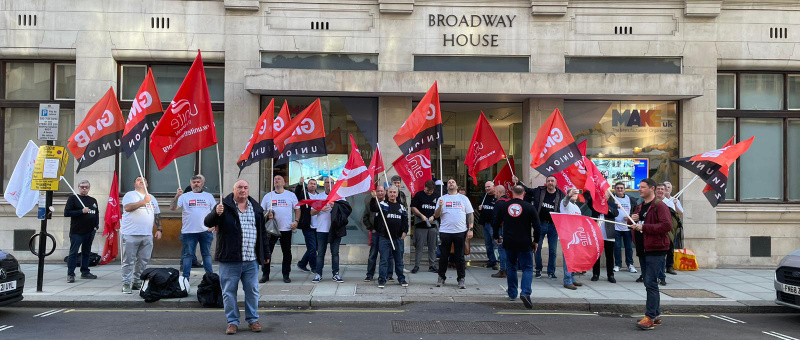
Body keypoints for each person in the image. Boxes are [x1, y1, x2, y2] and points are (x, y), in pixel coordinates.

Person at [204, 180, 270, 335]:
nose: (243, 190)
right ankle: (232, 322)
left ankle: (253, 320)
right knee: (228, 292)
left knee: (252, 291)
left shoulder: (257, 209)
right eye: (239, 187)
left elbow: (262, 234)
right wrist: (216, 213)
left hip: (251, 259)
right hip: (230, 259)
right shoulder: (223, 207)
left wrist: (266, 254)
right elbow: (207, 222)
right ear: (233, 190)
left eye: (246, 187)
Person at [629, 178, 673, 330]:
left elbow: (667, 225)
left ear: (652, 188)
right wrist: (631, 220)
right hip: (643, 250)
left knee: (650, 283)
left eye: (642, 187)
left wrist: (643, 227)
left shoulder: (659, 206)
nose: (639, 189)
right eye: (639, 187)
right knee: (650, 284)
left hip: (656, 250)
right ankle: (657, 315)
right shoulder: (640, 206)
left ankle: (650, 317)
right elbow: (634, 225)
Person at [493, 185, 540, 309]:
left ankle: (512, 293)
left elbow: (496, 222)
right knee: (527, 268)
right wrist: (536, 241)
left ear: (512, 192)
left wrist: (496, 236)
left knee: (511, 267)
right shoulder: (529, 207)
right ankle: (525, 292)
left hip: (509, 242)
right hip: (525, 242)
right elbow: (537, 226)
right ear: (524, 193)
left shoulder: (504, 206)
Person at [512, 175, 564, 280]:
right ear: (546, 182)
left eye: (552, 181)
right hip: (540, 224)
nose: (550, 182)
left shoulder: (560, 194)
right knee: (537, 248)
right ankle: (538, 270)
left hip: (554, 225)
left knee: (553, 250)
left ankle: (551, 272)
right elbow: (526, 189)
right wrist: (518, 182)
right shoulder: (539, 191)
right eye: (548, 181)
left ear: (556, 183)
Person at [120, 177, 161, 294]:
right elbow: (127, 208)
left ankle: (137, 282)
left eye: (144, 180)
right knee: (128, 260)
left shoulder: (152, 198)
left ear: (147, 184)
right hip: (130, 234)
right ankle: (126, 283)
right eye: (138, 180)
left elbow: (157, 214)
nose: (141, 181)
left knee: (143, 260)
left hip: (147, 234)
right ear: (134, 184)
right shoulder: (130, 195)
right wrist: (143, 202)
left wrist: (159, 229)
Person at [170, 174, 216, 281]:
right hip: (189, 232)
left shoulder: (208, 196)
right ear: (190, 184)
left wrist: (214, 225)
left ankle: (210, 278)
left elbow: (216, 212)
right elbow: (172, 208)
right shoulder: (184, 196)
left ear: (202, 184)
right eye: (194, 182)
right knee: (188, 255)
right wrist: (177, 196)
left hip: (205, 231)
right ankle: (185, 279)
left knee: (206, 255)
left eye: (198, 182)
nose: (196, 184)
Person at [434, 179, 474, 289]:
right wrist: (440, 207)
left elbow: (470, 214)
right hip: (445, 231)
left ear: (457, 186)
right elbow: (436, 215)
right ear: (447, 187)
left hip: (460, 231)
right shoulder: (442, 199)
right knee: (443, 256)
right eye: (449, 183)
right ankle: (441, 277)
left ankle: (461, 278)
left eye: (453, 182)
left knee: (460, 257)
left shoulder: (463, 198)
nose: (451, 183)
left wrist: (470, 229)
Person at [260, 175, 299, 283]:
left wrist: (296, 221)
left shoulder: (291, 195)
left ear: (284, 183)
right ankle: (265, 274)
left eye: (279, 179)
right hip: (271, 229)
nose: (276, 180)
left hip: (285, 229)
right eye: (275, 179)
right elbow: (262, 211)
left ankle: (286, 274)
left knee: (286, 252)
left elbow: (297, 209)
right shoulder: (268, 196)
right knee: (268, 252)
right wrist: (268, 215)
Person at [370, 186, 409, 288]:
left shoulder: (401, 207)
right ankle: (382, 279)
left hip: (398, 238)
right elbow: (373, 208)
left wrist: (405, 231)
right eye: (390, 192)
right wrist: (374, 198)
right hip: (385, 238)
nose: (392, 194)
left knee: (399, 260)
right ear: (387, 193)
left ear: (397, 194)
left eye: (394, 192)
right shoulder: (383, 205)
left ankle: (401, 279)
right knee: (384, 260)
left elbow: (405, 221)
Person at [64, 180, 99, 283]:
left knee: (86, 252)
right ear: (78, 188)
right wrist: (81, 211)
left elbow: (96, 213)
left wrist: (96, 226)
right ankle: (70, 274)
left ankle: (85, 271)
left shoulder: (93, 200)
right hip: (77, 232)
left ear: (89, 188)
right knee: (73, 253)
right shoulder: (73, 198)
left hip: (90, 231)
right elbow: (67, 212)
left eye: (86, 187)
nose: (84, 189)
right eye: (82, 187)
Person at [583, 190, 619, 283]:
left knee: (609, 255)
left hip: (608, 233)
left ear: (608, 196)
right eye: (602, 195)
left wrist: (606, 207)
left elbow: (615, 213)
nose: (603, 196)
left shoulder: (612, 204)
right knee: (596, 255)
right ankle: (595, 274)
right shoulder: (594, 204)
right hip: (597, 233)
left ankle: (610, 275)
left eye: (605, 195)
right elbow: (587, 197)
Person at [312, 177, 342, 283]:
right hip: (321, 229)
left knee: (335, 253)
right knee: (320, 253)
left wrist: (336, 206)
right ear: (323, 184)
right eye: (327, 183)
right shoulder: (319, 196)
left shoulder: (339, 197)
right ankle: (318, 274)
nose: (329, 184)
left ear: (334, 184)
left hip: (335, 229)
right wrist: (320, 208)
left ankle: (336, 274)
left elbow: (346, 211)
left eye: (331, 182)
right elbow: (311, 212)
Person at [364, 185, 394, 282]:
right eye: (378, 191)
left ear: (385, 192)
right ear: (375, 192)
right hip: (375, 233)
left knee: (388, 255)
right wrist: (371, 228)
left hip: (386, 233)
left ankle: (389, 274)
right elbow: (365, 217)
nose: (380, 193)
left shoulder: (389, 203)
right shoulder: (371, 203)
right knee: (373, 254)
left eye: (382, 191)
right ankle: (370, 274)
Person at [410, 180, 439, 274]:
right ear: (424, 187)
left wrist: (434, 216)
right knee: (419, 246)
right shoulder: (419, 195)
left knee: (432, 246)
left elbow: (440, 210)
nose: (429, 192)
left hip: (432, 225)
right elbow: (413, 207)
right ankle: (416, 265)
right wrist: (421, 215)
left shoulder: (437, 196)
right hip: (420, 224)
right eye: (428, 190)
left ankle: (432, 265)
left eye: (431, 191)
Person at [560, 188, 584, 290]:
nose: (575, 194)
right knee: (568, 258)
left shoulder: (576, 207)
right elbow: (565, 201)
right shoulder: (565, 203)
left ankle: (572, 278)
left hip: (575, 235)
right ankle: (567, 281)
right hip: (567, 235)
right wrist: (569, 195)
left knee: (573, 258)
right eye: (573, 193)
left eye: (576, 193)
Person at [612, 182, 638, 274]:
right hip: (615, 227)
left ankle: (630, 264)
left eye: (621, 188)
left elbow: (636, 212)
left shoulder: (630, 199)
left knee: (628, 247)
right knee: (617, 247)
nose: (620, 190)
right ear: (615, 189)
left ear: (624, 189)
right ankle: (618, 265)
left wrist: (630, 217)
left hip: (628, 227)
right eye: (618, 188)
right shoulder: (612, 199)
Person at [655, 183, 679, 277]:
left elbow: (673, 216)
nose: (660, 191)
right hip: (656, 229)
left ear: (665, 191)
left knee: (669, 249)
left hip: (667, 230)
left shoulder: (670, 202)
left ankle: (669, 266)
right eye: (658, 189)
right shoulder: (653, 201)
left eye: (662, 189)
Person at [294, 177, 317, 274]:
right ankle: (314, 268)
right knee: (312, 248)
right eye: (311, 183)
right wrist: (300, 184)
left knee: (315, 248)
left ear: (316, 186)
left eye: (314, 184)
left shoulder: (319, 196)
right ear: (307, 185)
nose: (312, 185)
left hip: (318, 226)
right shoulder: (303, 195)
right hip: (307, 226)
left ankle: (302, 264)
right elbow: (296, 193)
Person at [477, 181, 498, 270]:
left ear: (494, 187)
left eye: (489, 186)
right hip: (485, 223)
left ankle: (497, 262)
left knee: (495, 244)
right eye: (486, 187)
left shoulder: (497, 197)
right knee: (488, 244)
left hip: (493, 225)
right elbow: (481, 208)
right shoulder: (484, 196)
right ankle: (491, 261)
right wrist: (480, 209)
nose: (487, 188)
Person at [491, 186, 509, 278]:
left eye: (495, 191)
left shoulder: (499, 203)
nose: (494, 193)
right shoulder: (510, 201)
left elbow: (496, 220)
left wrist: (495, 235)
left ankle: (502, 271)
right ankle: (508, 270)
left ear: (498, 192)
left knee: (501, 250)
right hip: (509, 230)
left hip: (501, 230)